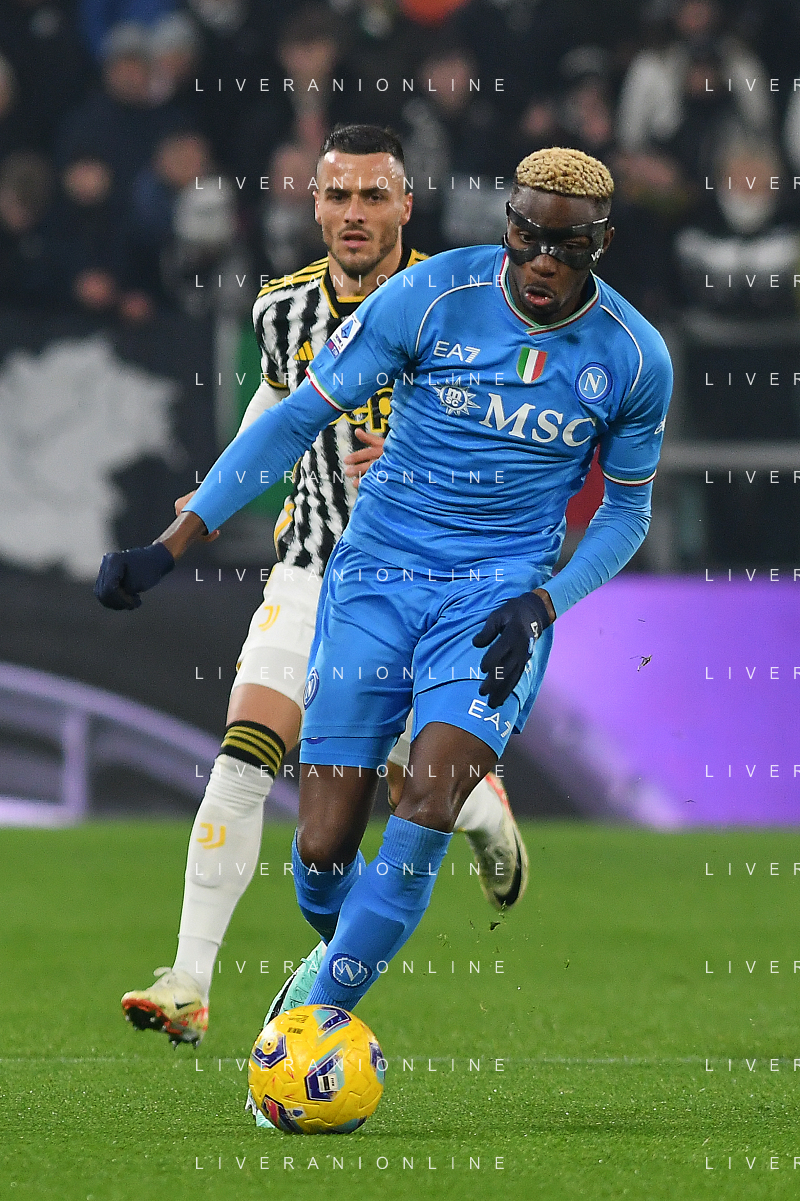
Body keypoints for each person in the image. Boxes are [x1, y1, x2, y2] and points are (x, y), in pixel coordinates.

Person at [98, 146, 671, 1076]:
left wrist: (544, 601)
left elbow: (628, 512)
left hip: (491, 603)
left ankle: (302, 1028)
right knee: (322, 848)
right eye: (525, 236)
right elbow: (290, 419)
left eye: (564, 246)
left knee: (428, 801)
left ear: (599, 245)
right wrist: (172, 543)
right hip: (373, 582)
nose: (539, 260)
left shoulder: (635, 357)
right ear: (508, 226)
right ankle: (330, 957)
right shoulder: (431, 298)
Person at [114, 124, 529, 1048]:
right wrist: (215, 497)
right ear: (314, 204)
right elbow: (279, 408)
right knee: (243, 757)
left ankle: (472, 803)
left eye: (374, 195)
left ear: (406, 205)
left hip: (426, 581)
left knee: (403, 781)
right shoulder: (282, 309)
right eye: (338, 194)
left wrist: (429, 462)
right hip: (310, 566)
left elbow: (519, 438)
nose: (354, 213)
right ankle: (188, 981)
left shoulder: (464, 305)